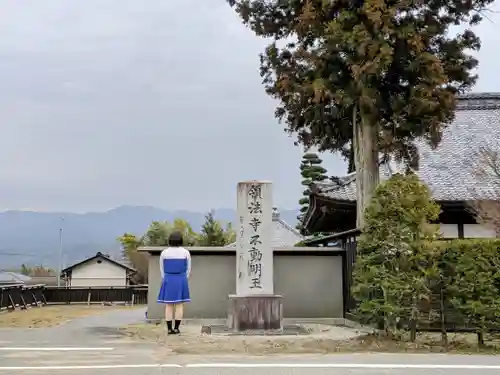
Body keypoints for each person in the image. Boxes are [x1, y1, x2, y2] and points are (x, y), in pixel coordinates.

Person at [157, 231, 191, 335]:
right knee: (179, 304)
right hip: (181, 278)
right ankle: (176, 328)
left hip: (168, 278)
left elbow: (162, 269)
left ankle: (169, 329)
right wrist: (184, 278)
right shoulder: (186, 252)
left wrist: (166, 278)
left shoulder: (164, 253)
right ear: (181, 240)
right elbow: (188, 268)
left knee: (169, 305)